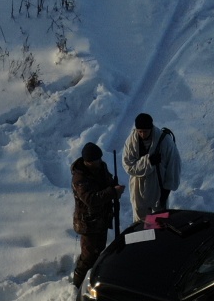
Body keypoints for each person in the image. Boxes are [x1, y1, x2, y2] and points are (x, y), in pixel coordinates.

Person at [70, 142, 124, 287]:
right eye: (96, 161)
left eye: (100, 159)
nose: (99, 162)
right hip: (87, 223)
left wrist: (113, 185)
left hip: (102, 218)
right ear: (87, 162)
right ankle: (77, 283)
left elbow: (106, 181)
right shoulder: (79, 178)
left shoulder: (101, 167)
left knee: (99, 250)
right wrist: (112, 192)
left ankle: (93, 279)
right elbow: (91, 199)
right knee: (87, 256)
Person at [122, 112, 181, 223]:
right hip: (138, 188)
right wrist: (148, 162)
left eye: (145, 131)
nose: (143, 135)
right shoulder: (131, 142)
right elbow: (128, 166)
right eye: (140, 132)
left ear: (151, 128)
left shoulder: (165, 141)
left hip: (158, 187)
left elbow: (173, 167)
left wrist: (166, 191)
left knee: (158, 223)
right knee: (140, 224)